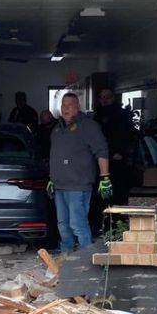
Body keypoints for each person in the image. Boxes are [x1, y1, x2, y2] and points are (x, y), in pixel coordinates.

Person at [48, 92, 111, 253]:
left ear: (78, 107)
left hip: (78, 185)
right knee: (62, 224)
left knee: (77, 223)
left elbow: (102, 151)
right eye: (63, 105)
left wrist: (105, 177)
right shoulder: (57, 128)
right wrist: (51, 178)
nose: (65, 108)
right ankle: (66, 254)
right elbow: (55, 155)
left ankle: (86, 257)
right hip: (60, 185)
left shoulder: (88, 126)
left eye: (69, 105)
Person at [94, 88, 140, 205]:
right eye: (102, 97)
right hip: (100, 157)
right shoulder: (97, 115)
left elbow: (127, 136)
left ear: (113, 98)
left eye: (107, 97)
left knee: (117, 191)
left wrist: (119, 152)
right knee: (100, 193)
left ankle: (116, 219)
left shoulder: (122, 114)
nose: (104, 100)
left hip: (117, 159)